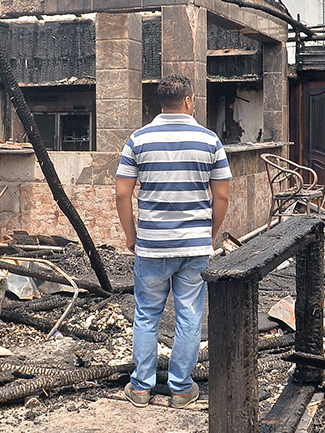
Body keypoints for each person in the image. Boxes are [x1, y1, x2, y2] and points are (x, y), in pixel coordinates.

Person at [115, 74, 231, 409]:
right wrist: (209, 234)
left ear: (160, 103)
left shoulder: (138, 140)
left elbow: (123, 193)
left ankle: (140, 388)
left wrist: (131, 236)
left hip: (151, 246)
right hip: (194, 247)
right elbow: (221, 196)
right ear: (189, 101)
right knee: (190, 315)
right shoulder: (209, 141)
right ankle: (181, 389)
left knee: (147, 315)